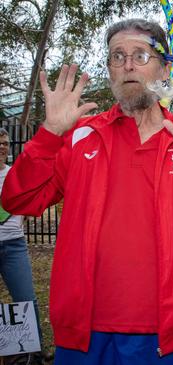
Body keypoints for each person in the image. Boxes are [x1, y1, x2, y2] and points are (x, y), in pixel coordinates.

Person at [0, 19, 173, 364]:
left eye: (140, 55)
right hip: (82, 333)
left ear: (164, 68)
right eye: (117, 56)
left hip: (160, 334)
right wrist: (50, 133)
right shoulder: (81, 135)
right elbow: (16, 199)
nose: (127, 65)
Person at [0, 127, 44, 364]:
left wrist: (22, 220)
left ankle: (34, 351)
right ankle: (7, 350)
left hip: (14, 245)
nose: (2, 147)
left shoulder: (15, 173)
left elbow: (28, 199)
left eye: (5, 143)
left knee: (26, 299)